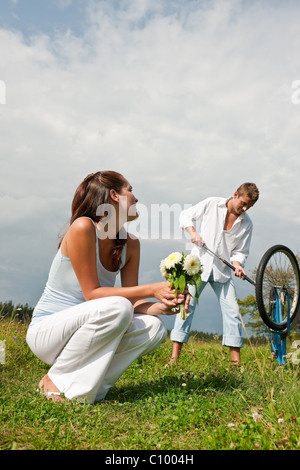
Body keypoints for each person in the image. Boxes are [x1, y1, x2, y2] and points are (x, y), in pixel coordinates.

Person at [26, 171, 188, 403]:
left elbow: (132, 302)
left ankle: (92, 390)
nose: (135, 198)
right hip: (49, 333)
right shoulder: (83, 227)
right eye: (130, 190)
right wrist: (151, 289)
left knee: (155, 328)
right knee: (118, 307)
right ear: (114, 195)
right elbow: (93, 295)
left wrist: (165, 305)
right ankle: (55, 379)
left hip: (92, 330)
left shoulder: (130, 244)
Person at [170, 182, 259, 364]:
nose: (244, 208)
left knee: (233, 312)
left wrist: (238, 264)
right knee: (186, 306)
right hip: (199, 266)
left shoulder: (247, 224)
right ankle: (174, 358)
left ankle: (236, 364)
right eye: (243, 203)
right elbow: (186, 215)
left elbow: (240, 251)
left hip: (223, 272)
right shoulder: (212, 204)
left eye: (248, 206)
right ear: (235, 194)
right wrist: (193, 232)